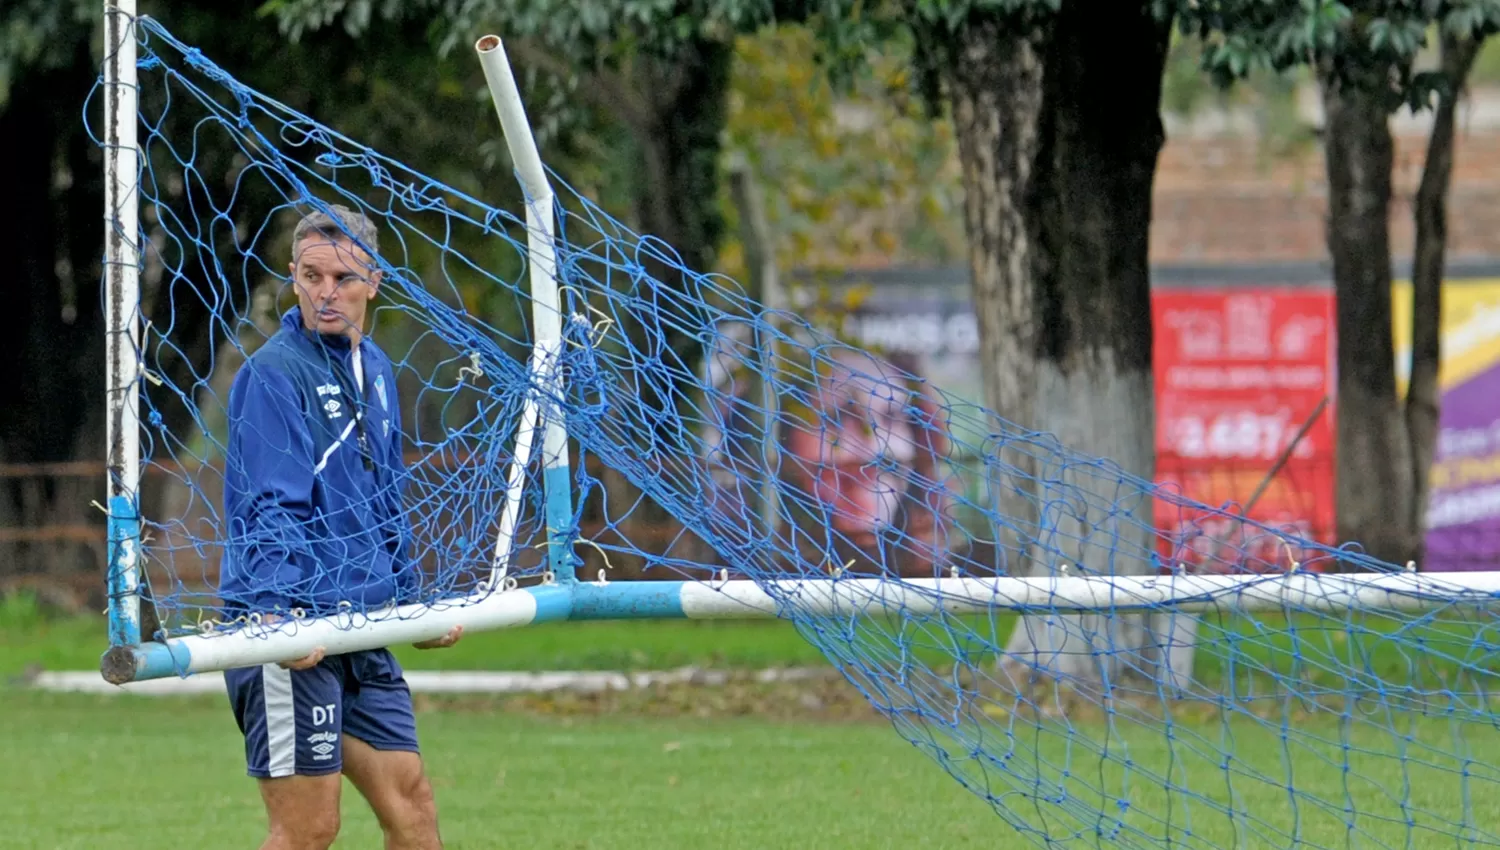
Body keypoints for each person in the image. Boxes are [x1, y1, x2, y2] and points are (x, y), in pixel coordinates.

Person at [219, 204, 462, 850]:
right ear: (293, 276)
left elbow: (385, 493)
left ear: (375, 281)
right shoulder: (274, 374)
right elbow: (271, 503)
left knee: (414, 810)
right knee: (308, 828)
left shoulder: (377, 370)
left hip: (361, 626)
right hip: (289, 627)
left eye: (344, 279)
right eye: (311, 276)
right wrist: (275, 615)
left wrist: (413, 603)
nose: (327, 293)